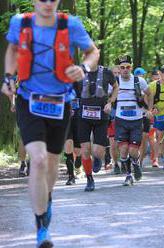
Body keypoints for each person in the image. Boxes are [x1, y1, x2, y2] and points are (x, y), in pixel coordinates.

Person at [1, 0, 99, 246]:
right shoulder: (20, 22)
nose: (47, 3)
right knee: (39, 158)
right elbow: (12, 50)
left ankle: (48, 196)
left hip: (60, 101)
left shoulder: (70, 24)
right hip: (28, 99)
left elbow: (93, 52)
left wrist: (84, 68)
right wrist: (8, 77)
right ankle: (41, 225)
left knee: (53, 161)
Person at [113, 55, 153, 186]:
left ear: (131, 68)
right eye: (122, 67)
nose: (125, 70)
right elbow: (107, 96)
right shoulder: (115, 82)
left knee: (133, 151)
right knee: (123, 150)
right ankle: (128, 175)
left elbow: (149, 94)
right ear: (119, 69)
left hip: (136, 119)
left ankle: (135, 163)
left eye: (128, 67)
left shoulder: (139, 81)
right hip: (120, 119)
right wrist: (108, 104)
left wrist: (149, 110)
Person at [78, 65, 117, 191]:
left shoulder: (106, 72)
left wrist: (110, 102)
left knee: (97, 151)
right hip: (83, 116)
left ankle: (98, 158)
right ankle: (89, 179)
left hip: (101, 116)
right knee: (85, 150)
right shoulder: (78, 72)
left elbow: (116, 87)